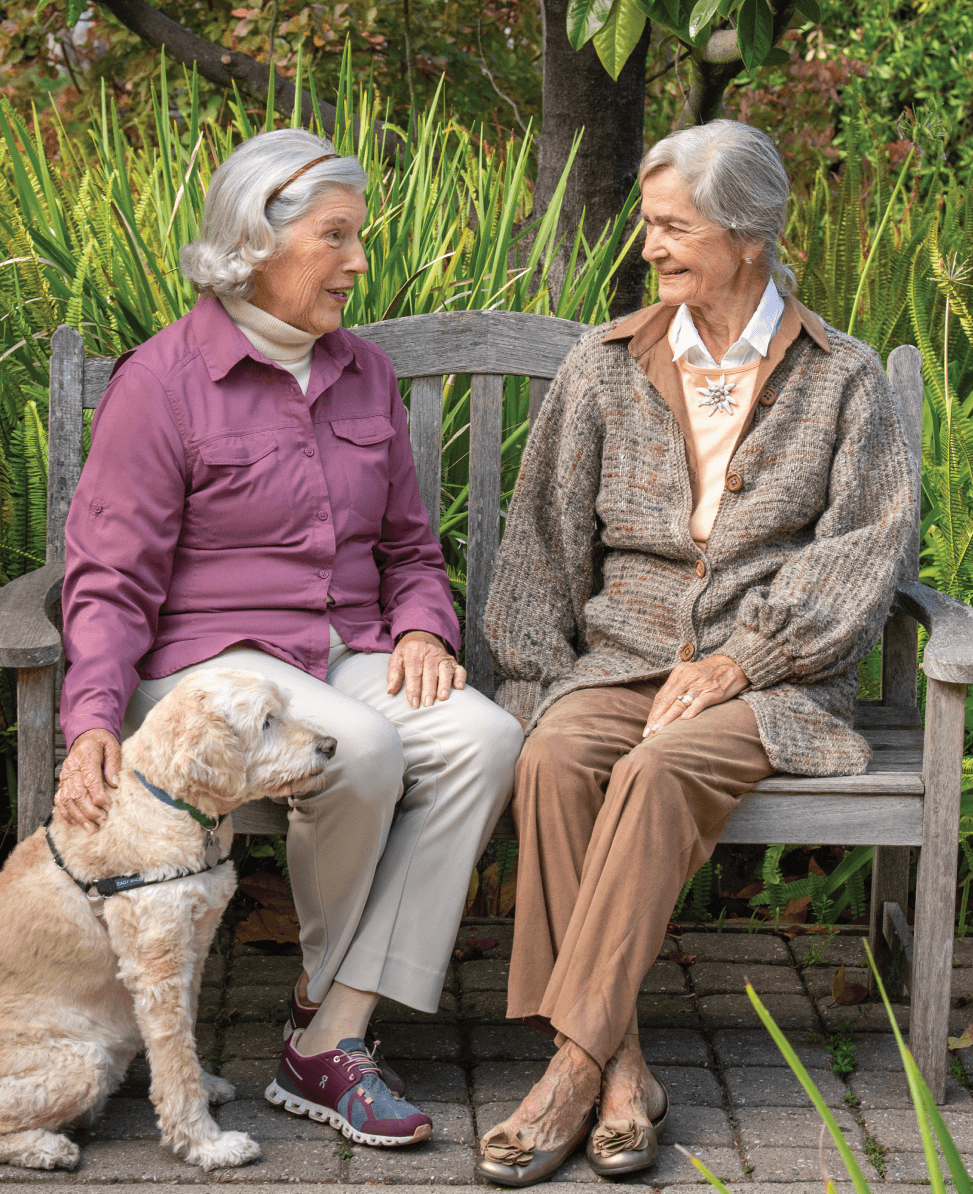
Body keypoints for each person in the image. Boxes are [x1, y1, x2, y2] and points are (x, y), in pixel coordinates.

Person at [55, 127, 523, 1149]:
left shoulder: (363, 374)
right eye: (336, 237)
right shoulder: (163, 383)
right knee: (356, 746)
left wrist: (420, 626)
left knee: (485, 738)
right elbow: (110, 577)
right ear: (254, 245)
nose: (359, 262)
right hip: (209, 675)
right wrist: (91, 713)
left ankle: (331, 1027)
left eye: (359, 238)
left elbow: (409, 544)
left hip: (341, 649)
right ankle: (331, 1033)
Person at [480, 119, 916, 1185]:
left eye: (672, 227)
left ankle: (566, 1075)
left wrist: (743, 662)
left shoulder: (844, 378)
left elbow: (865, 551)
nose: (649, 247)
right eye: (648, 224)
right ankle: (621, 1069)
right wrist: (538, 680)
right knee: (557, 756)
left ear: (747, 234)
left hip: (772, 688)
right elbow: (538, 540)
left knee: (660, 768)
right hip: (615, 662)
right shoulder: (605, 363)